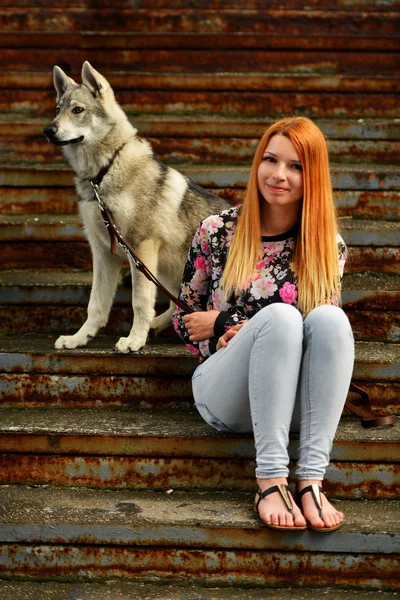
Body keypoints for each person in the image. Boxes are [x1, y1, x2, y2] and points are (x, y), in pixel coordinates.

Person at [172, 116, 355, 532]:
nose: (278, 175)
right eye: (270, 160)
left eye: (295, 166)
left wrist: (229, 320)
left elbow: (320, 340)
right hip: (223, 391)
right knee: (282, 316)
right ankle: (270, 479)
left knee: (329, 318)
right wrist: (221, 336)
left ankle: (310, 480)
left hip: (289, 403)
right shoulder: (217, 232)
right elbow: (185, 320)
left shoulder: (328, 247)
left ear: (313, 176)